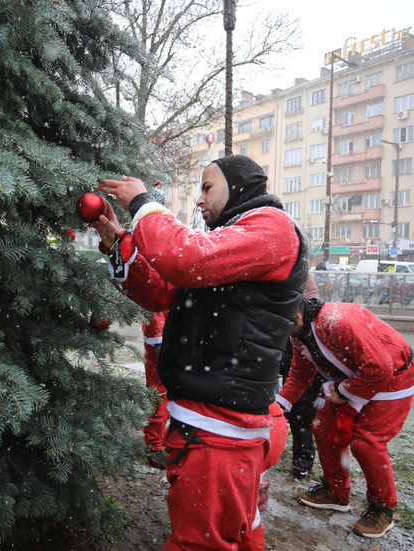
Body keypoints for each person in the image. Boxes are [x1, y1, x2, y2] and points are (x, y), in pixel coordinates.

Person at [94, 154, 310, 551]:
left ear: (240, 185)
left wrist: (144, 203)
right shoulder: (231, 240)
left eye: (207, 187)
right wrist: (119, 246)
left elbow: (182, 258)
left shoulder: (271, 226)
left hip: (220, 431)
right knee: (239, 530)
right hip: (217, 426)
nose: (198, 200)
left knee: (199, 542)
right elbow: (163, 293)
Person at [276, 298, 414, 539]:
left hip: (394, 378)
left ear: (297, 318)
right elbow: (301, 372)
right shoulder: (297, 332)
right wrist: (280, 405)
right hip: (354, 377)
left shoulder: (337, 321)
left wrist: (344, 392)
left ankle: (382, 509)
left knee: (366, 442)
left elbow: (381, 367)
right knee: (323, 427)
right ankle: (335, 492)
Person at [278, 274, 325, 479]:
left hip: (297, 330)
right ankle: (274, 442)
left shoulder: (300, 272)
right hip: (284, 336)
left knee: (302, 410)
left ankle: (303, 458)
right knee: (284, 402)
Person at [141, 310, 170, 469]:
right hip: (162, 333)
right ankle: (153, 445)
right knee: (159, 392)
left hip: (182, 330)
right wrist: (157, 335)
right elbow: (154, 300)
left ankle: (171, 438)